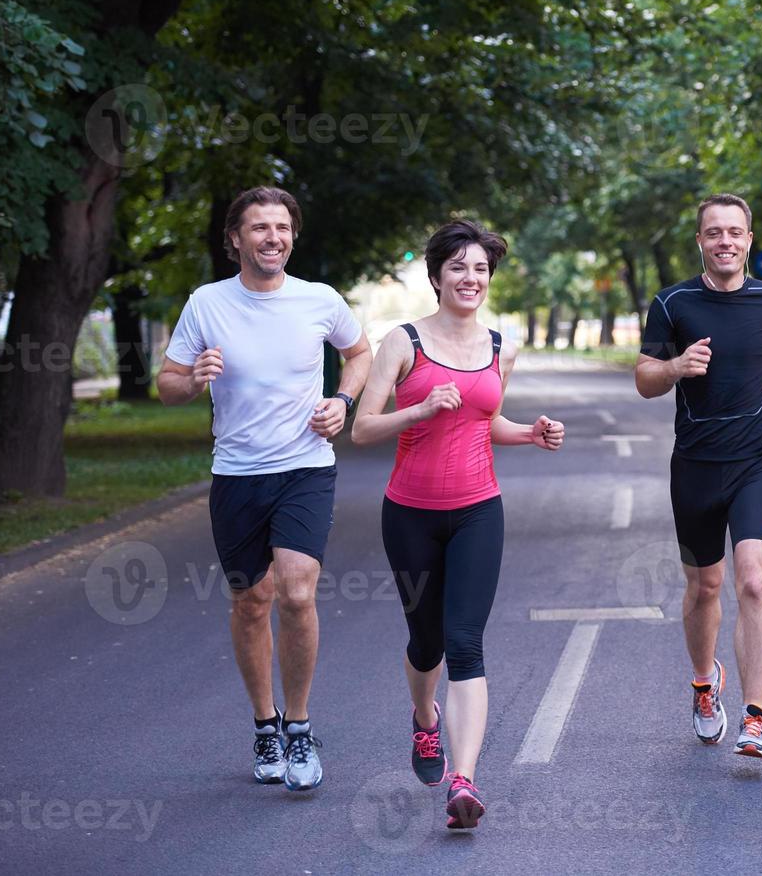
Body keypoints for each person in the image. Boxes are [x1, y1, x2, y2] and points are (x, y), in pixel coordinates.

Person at [351, 219, 563, 831]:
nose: (470, 279)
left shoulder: (503, 345)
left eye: (480, 270)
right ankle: (425, 721)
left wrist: (529, 432)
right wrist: (418, 407)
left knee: (466, 642)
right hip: (410, 514)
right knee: (427, 643)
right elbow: (362, 429)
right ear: (437, 275)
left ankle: (465, 781)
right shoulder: (403, 342)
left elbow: (485, 422)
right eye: (459, 268)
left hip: (478, 509)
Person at [157, 186, 371, 791]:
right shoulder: (207, 304)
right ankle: (264, 724)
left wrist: (343, 401)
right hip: (237, 474)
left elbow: (359, 353)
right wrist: (192, 378)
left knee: (297, 594)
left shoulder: (319, 300)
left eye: (281, 227)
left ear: (293, 236)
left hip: (306, 466)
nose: (271, 237)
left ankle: (299, 727)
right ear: (235, 240)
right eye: (258, 228)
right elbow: (167, 383)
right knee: (251, 602)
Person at [635, 193, 762, 760]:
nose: (725, 241)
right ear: (700, 241)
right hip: (694, 466)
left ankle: (756, 716)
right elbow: (645, 378)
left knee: (753, 581)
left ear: (749, 239)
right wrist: (675, 366)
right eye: (713, 232)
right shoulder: (672, 303)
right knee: (705, 586)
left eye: (735, 232)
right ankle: (703, 684)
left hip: (755, 462)